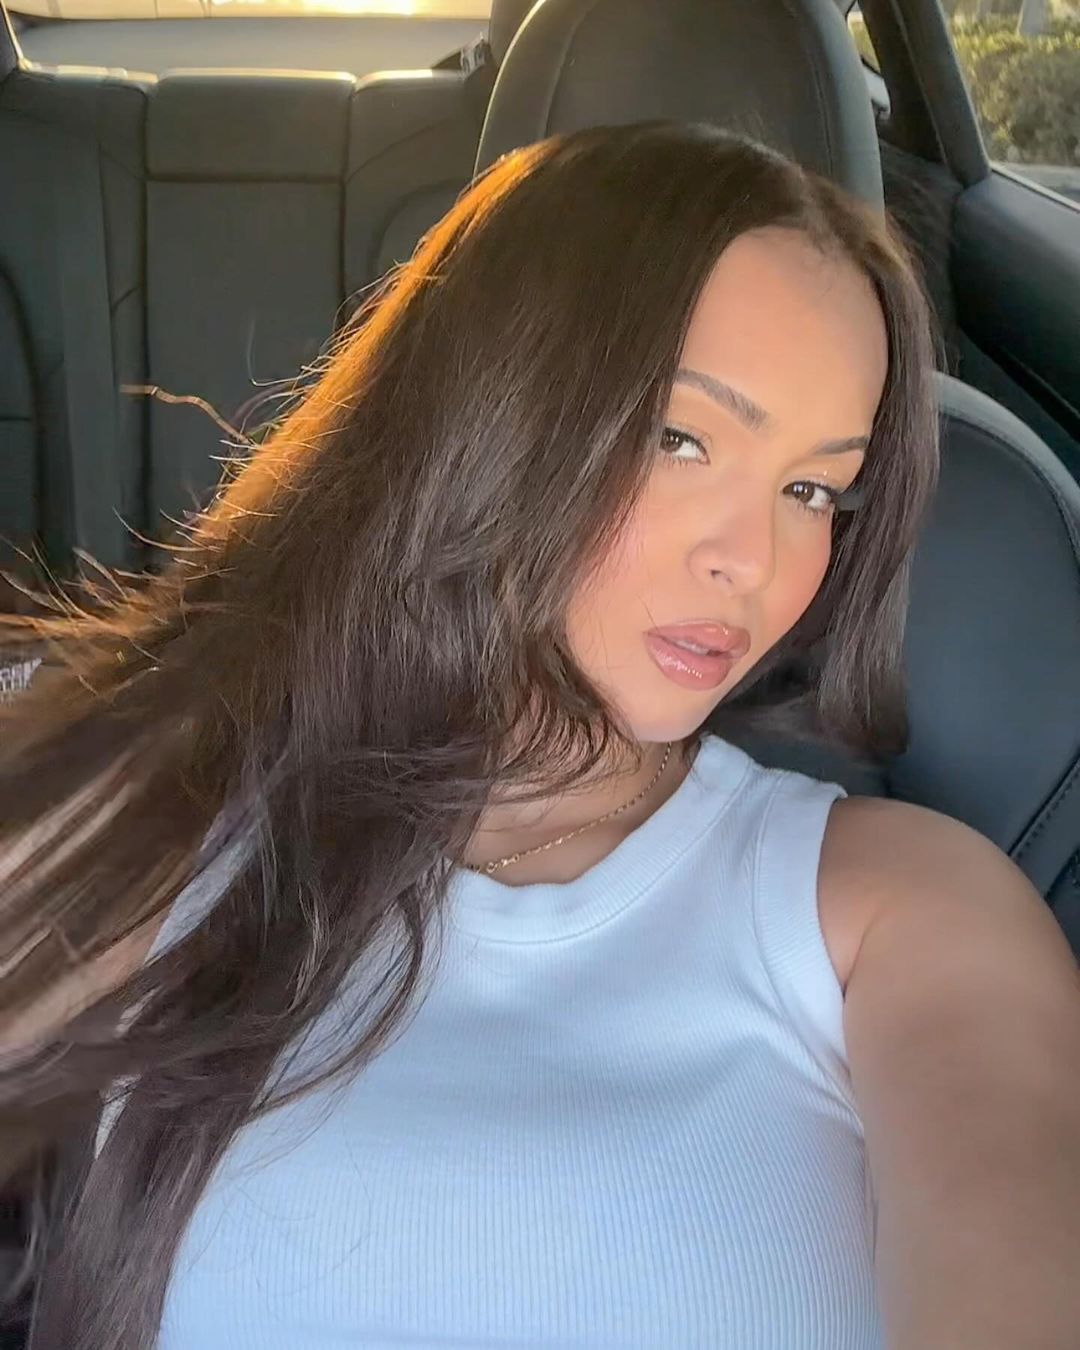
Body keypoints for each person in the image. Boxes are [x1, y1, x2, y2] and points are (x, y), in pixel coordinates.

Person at [1, 123, 1078, 1350]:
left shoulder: (898, 909)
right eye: (682, 439)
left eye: (812, 489)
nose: (755, 559)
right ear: (494, 414)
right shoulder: (171, 814)